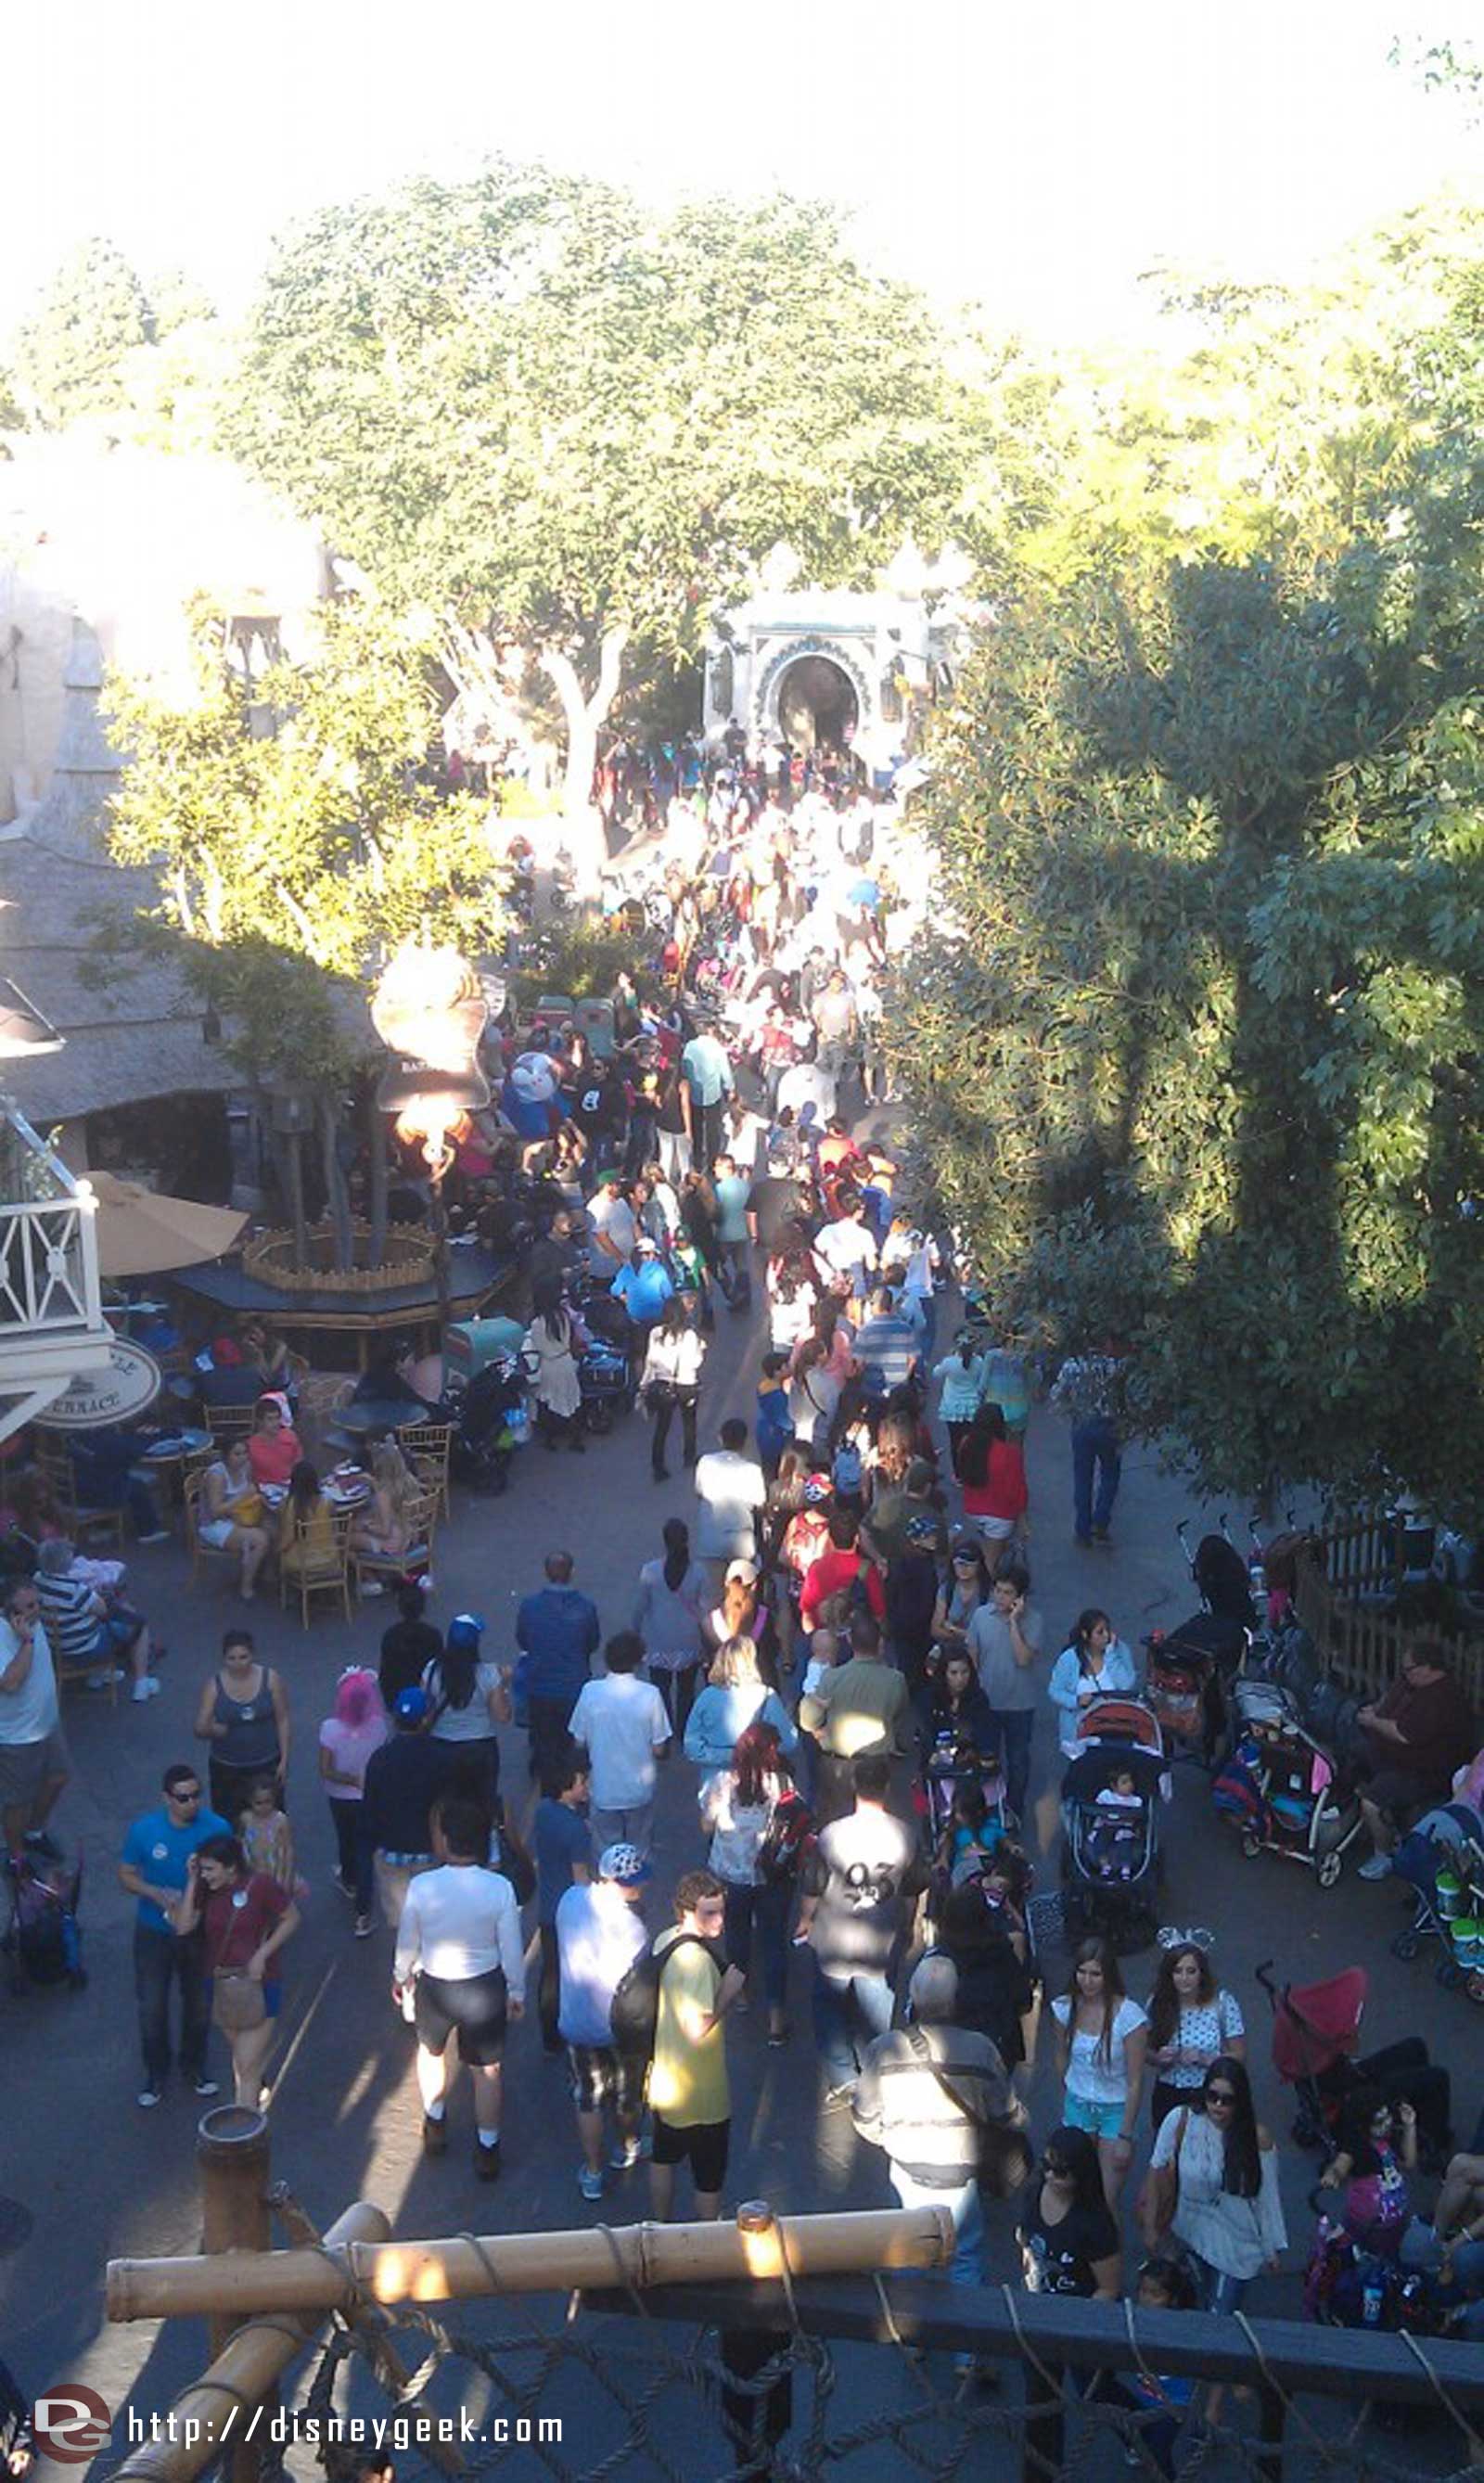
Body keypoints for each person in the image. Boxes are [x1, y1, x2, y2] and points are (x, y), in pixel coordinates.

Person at [851, 1953, 1021, 2287]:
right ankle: (962, 2332)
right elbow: (1004, 2112)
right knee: (966, 2254)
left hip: (907, 2167)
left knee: (910, 2250)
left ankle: (915, 2329)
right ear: (955, 1999)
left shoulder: (883, 2049)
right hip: (960, 2172)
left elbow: (864, 2117)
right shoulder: (980, 2049)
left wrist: (888, 2136)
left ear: (913, 1997)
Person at [393, 1797, 526, 2182]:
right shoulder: (499, 1887)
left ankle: (435, 2122)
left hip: (435, 1984)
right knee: (487, 2070)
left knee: (431, 2053)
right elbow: (512, 1948)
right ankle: (488, 2148)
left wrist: (401, 1976)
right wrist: (515, 1991)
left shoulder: (422, 1886)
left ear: (445, 1839)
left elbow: (408, 1941)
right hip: (484, 1987)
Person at [795, 1752, 920, 2105]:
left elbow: (813, 1885)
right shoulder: (905, 1835)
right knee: (879, 2005)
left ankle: (842, 2074)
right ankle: (876, 2066)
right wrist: (908, 1925)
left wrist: (806, 1920)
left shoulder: (832, 1835)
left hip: (834, 1936)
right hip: (880, 1937)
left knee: (828, 2005)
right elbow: (912, 1888)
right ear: (886, 1786)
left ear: (854, 1786)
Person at [119, 1761, 232, 2108]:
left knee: (199, 2004)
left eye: (197, 1795)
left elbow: (230, 1872)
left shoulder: (217, 1828)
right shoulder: (144, 1831)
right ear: (166, 1798)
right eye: (183, 1798)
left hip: (199, 1932)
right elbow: (126, 1874)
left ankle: (194, 2066)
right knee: (152, 2005)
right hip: (154, 1930)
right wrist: (154, 1893)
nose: (192, 1803)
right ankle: (156, 2071)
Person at [1141, 2057, 1286, 2310]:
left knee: (1219, 2320)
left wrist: (1271, 2247)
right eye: (1212, 2096)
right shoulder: (1180, 2120)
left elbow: (1266, 2196)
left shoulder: (1256, 2138)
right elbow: (1156, 2171)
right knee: (1191, 2308)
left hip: (1235, 2243)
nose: (1218, 2105)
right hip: (1189, 2234)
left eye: (1227, 2100)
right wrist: (1151, 2227)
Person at [173, 1832, 300, 2111]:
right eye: (202, 1869)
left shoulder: (261, 1886)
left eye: (210, 1869)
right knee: (243, 2061)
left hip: (261, 1983)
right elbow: (183, 1927)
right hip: (220, 1984)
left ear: (230, 1867)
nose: (206, 1875)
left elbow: (292, 1918)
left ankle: (245, 2125)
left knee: (245, 2064)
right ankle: (249, 2117)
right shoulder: (204, 1891)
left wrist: (262, 1954)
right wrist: (192, 1880)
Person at [648, 1868, 746, 2222]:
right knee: (708, 2174)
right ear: (686, 1911)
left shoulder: (666, 1939)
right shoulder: (697, 1964)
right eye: (709, 1912)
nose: (719, 1920)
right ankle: (707, 2246)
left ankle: (658, 2228)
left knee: (663, 2158)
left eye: (721, 1911)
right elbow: (696, 2029)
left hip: (665, 2079)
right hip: (702, 2091)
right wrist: (727, 1994)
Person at [556, 1839, 651, 2201]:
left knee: (588, 2098)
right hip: (617, 2026)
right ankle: (627, 2146)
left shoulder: (571, 1899)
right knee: (627, 2094)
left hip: (576, 2021)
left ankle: (593, 2172)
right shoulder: (633, 1929)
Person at [699, 1720, 797, 2045]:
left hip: (730, 1874)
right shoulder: (783, 1784)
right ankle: (776, 2019)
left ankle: (740, 1993)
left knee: (737, 1933)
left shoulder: (723, 1783)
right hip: (771, 1875)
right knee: (773, 1943)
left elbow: (705, 1827)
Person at [1354, 1638, 1477, 1877]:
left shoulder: (1442, 1698)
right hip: (1392, 1756)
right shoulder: (1412, 1683)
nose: (1404, 1674)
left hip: (1424, 1772)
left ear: (1428, 1667)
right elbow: (1388, 1702)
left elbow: (1405, 1734)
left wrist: (1373, 1721)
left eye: (1409, 1669)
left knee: (1371, 1802)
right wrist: (1375, 1711)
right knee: (1349, 1755)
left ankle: (1384, 1854)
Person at [1051, 1939, 1148, 2203]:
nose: (1087, 1981)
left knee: (1106, 2198)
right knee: (1074, 2190)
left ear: (1108, 1975)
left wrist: (1125, 2135)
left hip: (1115, 2109)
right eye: (1082, 1972)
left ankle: (1110, 2244)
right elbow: (1060, 2053)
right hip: (1078, 2105)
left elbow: (1136, 2080)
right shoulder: (1064, 2007)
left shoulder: (1129, 2016)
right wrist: (1069, 2090)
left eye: (1095, 1974)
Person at [799, 1615, 910, 1822]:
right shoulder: (896, 1680)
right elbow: (899, 1715)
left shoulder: (831, 1677)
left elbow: (808, 1720)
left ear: (849, 1641)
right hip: (877, 1768)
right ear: (880, 1642)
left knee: (835, 1834)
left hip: (837, 1768)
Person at [569, 1631, 672, 1856]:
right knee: (639, 1848)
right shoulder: (651, 1695)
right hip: (639, 1790)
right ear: (638, 1661)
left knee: (606, 1851)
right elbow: (659, 1747)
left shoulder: (590, 1692)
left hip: (603, 1788)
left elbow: (579, 1739)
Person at [965, 1559, 1043, 1825]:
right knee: (986, 1762)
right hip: (987, 1702)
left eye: (1007, 1592)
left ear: (1020, 1597)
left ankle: (1013, 1812)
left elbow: (1023, 1658)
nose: (1000, 1597)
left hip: (1020, 1705)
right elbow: (972, 1657)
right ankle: (987, 1811)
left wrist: (1013, 1623)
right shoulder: (980, 1617)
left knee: (1018, 1763)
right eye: (997, 1590)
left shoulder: (1034, 1621)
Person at [361, 1686, 447, 1928]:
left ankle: (406, 1962)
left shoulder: (380, 1758)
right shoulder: (441, 1758)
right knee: (430, 1920)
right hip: (428, 1850)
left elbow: (370, 1807)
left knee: (401, 1922)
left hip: (391, 1851)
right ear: (426, 1718)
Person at [33, 1537, 158, 1704]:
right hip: (87, 1648)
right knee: (138, 1624)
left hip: (56, 1645)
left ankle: (98, 1673)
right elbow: (103, 1611)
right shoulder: (75, 1589)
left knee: (87, 1622)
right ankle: (141, 1684)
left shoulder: (37, 1580)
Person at [516, 1552, 602, 1781]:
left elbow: (523, 1639)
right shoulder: (586, 1607)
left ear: (546, 1573)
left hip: (540, 1685)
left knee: (544, 1741)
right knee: (572, 1743)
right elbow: (592, 1642)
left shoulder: (530, 1606)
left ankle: (547, 1788)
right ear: (572, 1573)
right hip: (573, 1685)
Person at [1145, 1935, 1246, 2127]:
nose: (1184, 1978)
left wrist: (1205, 2059)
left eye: (1191, 1971)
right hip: (1168, 2091)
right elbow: (1144, 2050)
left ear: (1202, 1973)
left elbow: (1239, 2055)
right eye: (1178, 1971)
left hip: (1210, 2092)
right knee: (1169, 2150)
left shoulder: (1223, 2004)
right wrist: (1158, 2058)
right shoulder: (1156, 2003)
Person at [193, 1629, 290, 1825]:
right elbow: (199, 1727)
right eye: (232, 1658)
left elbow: (283, 1719)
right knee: (228, 1821)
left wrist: (284, 1759)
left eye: (243, 1657)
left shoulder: (270, 1679)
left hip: (265, 1762)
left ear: (253, 1655)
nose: (238, 1663)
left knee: (271, 1818)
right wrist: (214, 1730)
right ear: (223, 1659)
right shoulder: (214, 1686)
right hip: (227, 1766)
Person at [318, 1667, 388, 1938]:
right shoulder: (379, 1726)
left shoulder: (330, 1729)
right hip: (369, 1797)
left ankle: (350, 1881)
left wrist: (348, 1779)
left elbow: (325, 1770)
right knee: (366, 1849)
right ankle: (363, 1911)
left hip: (340, 1797)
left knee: (345, 1839)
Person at [1018, 2125, 1122, 2298]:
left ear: (1080, 2173)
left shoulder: (1095, 2224)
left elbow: (1109, 2289)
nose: (1049, 2175)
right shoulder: (1033, 2194)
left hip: (1075, 2311)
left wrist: (1077, 2318)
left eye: (1060, 2171)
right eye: (1046, 2165)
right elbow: (1026, 2241)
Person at [422, 1612, 512, 1808]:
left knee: (446, 1804)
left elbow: (426, 1711)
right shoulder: (488, 1674)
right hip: (479, 1747)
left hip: (442, 1747)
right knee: (482, 1804)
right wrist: (504, 1685)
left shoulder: (431, 1670)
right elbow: (503, 1716)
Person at [535, 1753, 593, 2054]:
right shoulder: (576, 1829)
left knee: (550, 1972)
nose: (587, 1786)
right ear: (566, 1786)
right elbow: (580, 1877)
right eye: (582, 1781)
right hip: (570, 1911)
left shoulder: (543, 1812)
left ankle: (548, 2035)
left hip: (547, 1905)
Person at [633, 1517, 709, 1734]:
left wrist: (635, 1635)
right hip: (689, 1640)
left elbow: (640, 1608)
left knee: (660, 1689)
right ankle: (683, 1729)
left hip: (659, 1640)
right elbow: (703, 1610)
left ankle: (663, 1731)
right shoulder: (699, 1572)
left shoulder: (650, 1571)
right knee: (686, 1690)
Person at [684, 1635, 796, 1782]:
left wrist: (725, 1755)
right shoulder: (766, 1696)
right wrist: (755, 1754)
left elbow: (692, 1747)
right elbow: (788, 1742)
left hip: (716, 1782)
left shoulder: (706, 1697)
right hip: (756, 1779)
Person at [1050, 1348, 1122, 1547]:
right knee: (1110, 1473)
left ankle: (1082, 1527)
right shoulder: (1114, 1364)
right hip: (1108, 1425)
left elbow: (1057, 1393)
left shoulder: (1072, 1365)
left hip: (1082, 1424)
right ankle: (1101, 1518)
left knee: (1082, 1478)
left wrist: (1070, 1408)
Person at [1048, 1609, 1138, 1759]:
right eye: (1100, 1632)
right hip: (1079, 1733)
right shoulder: (1069, 1658)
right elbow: (1055, 1691)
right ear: (1085, 1635)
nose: (1106, 1636)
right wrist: (1076, 1701)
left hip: (1115, 1730)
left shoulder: (1120, 1651)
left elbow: (1126, 1685)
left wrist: (1111, 1656)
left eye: (1108, 1631)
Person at [693, 1419, 767, 1593]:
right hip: (741, 1543)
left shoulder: (705, 1462)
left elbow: (699, 1493)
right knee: (742, 1595)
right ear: (745, 1441)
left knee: (713, 1596)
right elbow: (760, 1503)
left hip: (710, 1541)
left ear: (720, 1438)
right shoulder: (752, 1470)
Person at [195, 1439, 272, 1599]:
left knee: (274, 1527)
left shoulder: (246, 1468)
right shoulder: (217, 1475)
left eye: (245, 1453)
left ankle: (263, 1573)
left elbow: (250, 1491)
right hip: (216, 1524)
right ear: (226, 1456)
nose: (243, 1458)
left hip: (240, 1516)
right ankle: (246, 1586)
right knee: (260, 1539)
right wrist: (242, 1496)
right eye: (237, 1454)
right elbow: (215, 1511)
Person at [641, 1296, 706, 1480]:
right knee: (689, 1422)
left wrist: (644, 1385)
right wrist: (701, 1349)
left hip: (663, 1384)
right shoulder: (690, 1334)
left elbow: (651, 1361)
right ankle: (689, 1456)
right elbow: (695, 1362)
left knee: (662, 1427)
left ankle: (658, 1465)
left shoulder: (656, 1333)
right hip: (686, 1384)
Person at [956, 1404, 1028, 1552]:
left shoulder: (966, 1444)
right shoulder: (1010, 1453)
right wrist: (1023, 1519)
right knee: (989, 1565)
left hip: (972, 1510)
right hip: (1000, 1515)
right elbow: (1016, 1490)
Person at [523, 1302, 587, 1453]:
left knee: (549, 1403)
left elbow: (537, 1346)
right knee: (571, 1402)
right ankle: (576, 1439)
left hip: (549, 1365)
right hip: (566, 1362)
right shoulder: (564, 1316)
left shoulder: (537, 1323)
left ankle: (550, 1439)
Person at [378, 1580, 443, 1710]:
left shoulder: (390, 1635)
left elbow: (385, 1672)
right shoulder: (433, 1635)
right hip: (426, 1694)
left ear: (400, 1607)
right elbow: (439, 1669)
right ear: (423, 1608)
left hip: (396, 1694)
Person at [933, 1332, 990, 1477]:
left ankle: (958, 1473)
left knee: (955, 1441)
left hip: (952, 1406)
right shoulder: (979, 1362)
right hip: (972, 1405)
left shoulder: (949, 1362)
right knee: (972, 1441)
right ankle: (972, 1470)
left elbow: (936, 1374)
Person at [246, 1396, 302, 1492]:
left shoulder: (290, 1436)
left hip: (290, 1484)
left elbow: (299, 1462)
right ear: (260, 1421)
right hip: (265, 1489)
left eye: (277, 1418)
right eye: (270, 1419)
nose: (275, 1423)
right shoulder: (250, 1446)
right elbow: (248, 1476)